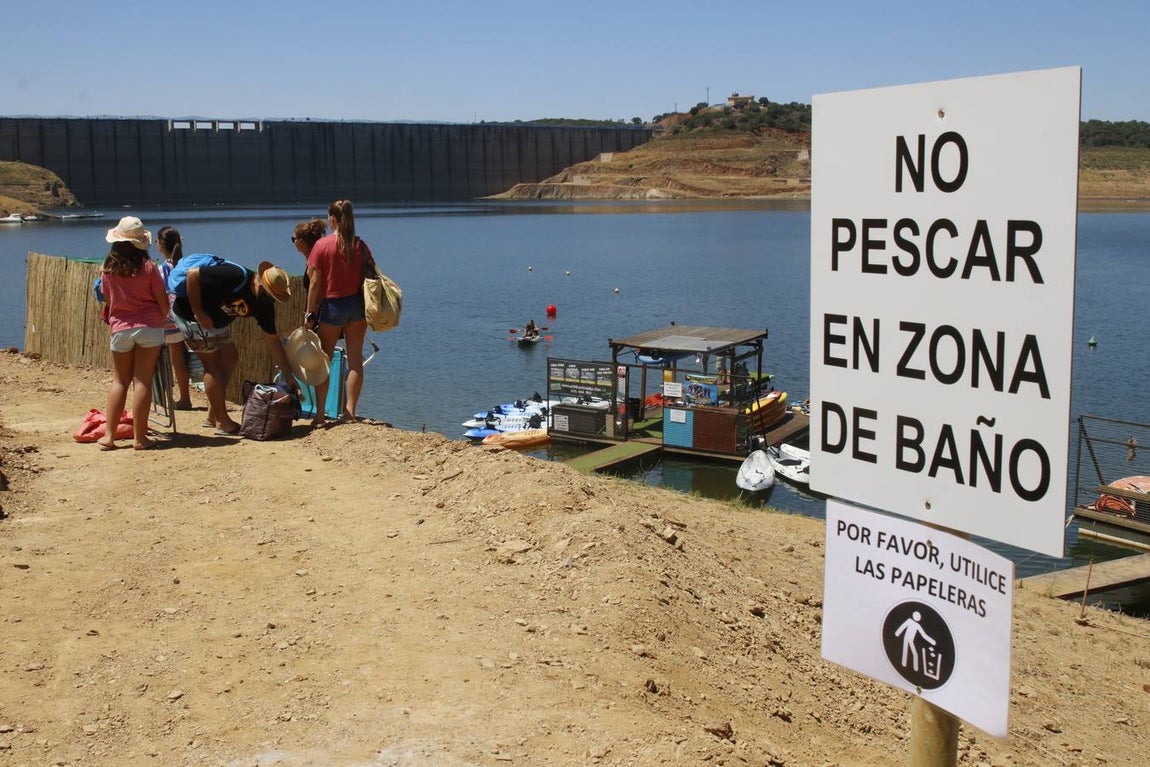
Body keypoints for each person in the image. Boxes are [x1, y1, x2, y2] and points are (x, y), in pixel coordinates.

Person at [171, 257, 299, 435]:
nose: (272, 302)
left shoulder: (264, 304)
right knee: (212, 366)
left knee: (231, 358)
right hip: (192, 315)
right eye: (271, 296)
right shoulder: (235, 275)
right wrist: (198, 311)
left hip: (217, 323)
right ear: (261, 286)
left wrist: (288, 375)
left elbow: (272, 340)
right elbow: (193, 276)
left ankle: (213, 414)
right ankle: (222, 422)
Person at [96, 216, 169, 451]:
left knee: (120, 381)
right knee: (142, 381)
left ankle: (109, 436)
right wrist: (161, 316)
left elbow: (108, 301)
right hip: (149, 327)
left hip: (120, 328)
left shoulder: (108, 269)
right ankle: (140, 437)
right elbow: (162, 302)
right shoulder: (149, 268)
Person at [304, 200, 371, 427]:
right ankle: (350, 412)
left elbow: (314, 283)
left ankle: (320, 415)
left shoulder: (322, 246)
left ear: (332, 218)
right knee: (355, 361)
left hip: (332, 306)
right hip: (357, 307)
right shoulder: (360, 246)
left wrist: (309, 313)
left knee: (324, 361)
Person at [155, 226, 192, 409]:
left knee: (174, 358)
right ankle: (185, 396)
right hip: (187, 315)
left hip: (169, 318)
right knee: (183, 358)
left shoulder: (162, 269)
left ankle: (178, 398)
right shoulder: (186, 263)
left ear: (162, 245)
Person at [291, 218, 327, 292]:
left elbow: (317, 291)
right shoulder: (316, 260)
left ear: (301, 241)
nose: (293, 242)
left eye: (293, 239)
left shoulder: (313, 265)